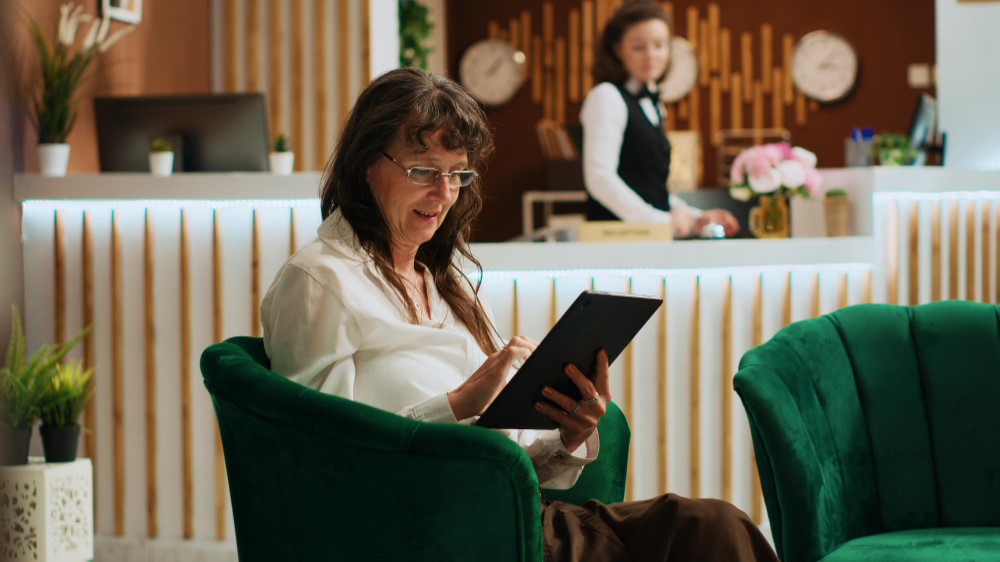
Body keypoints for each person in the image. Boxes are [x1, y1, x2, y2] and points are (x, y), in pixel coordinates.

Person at [261, 67, 777, 561]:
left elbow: (512, 453)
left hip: (512, 518)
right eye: (424, 171)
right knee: (706, 533)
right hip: (437, 535)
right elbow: (321, 459)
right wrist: (457, 404)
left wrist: (568, 435)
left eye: (457, 174)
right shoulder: (320, 279)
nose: (443, 194)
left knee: (714, 524)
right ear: (365, 163)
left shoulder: (445, 281)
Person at [581, 3, 739, 238]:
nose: (651, 55)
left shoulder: (653, 104)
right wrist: (661, 222)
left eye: (659, 45)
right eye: (638, 47)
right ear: (618, 49)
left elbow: (652, 188)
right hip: (617, 239)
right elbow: (600, 178)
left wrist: (696, 217)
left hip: (650, 239)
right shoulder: (607, 96)